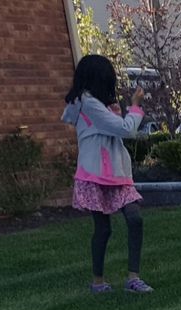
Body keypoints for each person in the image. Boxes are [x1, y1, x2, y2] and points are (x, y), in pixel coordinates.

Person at [61, 54, 150, 295]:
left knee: (134, 219)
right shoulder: (87, 103)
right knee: (103, 228)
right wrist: (135, 106)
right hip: (95, 175)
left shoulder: (93, 104)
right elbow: (125, 130)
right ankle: (99, 282)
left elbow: (111, 128)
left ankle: (132, 278)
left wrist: (116, 111)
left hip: (115, 173)